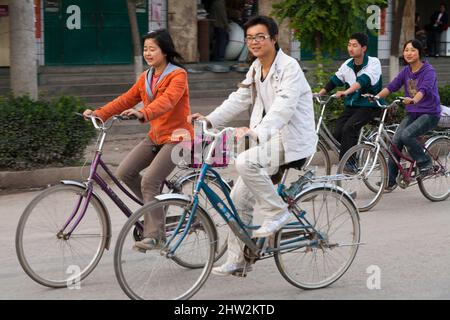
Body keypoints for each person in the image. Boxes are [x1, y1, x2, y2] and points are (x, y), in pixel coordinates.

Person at [189, 15, 317, 276]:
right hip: (269, 137)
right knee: (237, 199)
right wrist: (210, 119)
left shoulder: (289, 68)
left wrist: (257, 133)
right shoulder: (256, 68)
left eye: (260, 37)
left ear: (274, 38)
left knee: (245, 161)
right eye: (249, 38)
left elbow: (284, 107)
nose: (254, 42)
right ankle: (238, 259)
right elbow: (240, 98)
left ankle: (277, 211)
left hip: (292, 138)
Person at [83, 29, 193, 251]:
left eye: (153, 49)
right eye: (145, 49)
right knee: (125, 172)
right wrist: (99, 113)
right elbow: (125, 99)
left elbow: (168, 101)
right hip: (156, 136)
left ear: (165, 51)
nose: (148, 53)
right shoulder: (146, 77)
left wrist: (143, 112)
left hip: (179, 138)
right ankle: (157, 209)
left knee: (149, 181)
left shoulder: (178, 75)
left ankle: (155, 235)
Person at [374, 39, 441, 190]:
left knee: (407, 135)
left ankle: (426, 164)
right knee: (395, 141)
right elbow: (392, 86)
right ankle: (390, 180)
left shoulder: (428, 71)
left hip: (430, 113)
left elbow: (424, 90)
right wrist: (376, 97)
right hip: (413, 113)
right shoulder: (406, 71)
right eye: (406, 50)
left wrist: (413, 100)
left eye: (412, 50)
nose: (408, 53)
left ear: (419, 53)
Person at [318, 33, 383, 164]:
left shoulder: (373, 62)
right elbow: (335, 80)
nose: (350, 48)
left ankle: (349, 164)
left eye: (354, 45)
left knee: (349, 128)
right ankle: (353, 151)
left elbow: (363, 81)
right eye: (349, 45)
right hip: (352, 106)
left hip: (370, 105)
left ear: (363, 48)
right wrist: (320, 93)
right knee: (336, 133)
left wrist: (346, 92)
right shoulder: (347, 64)